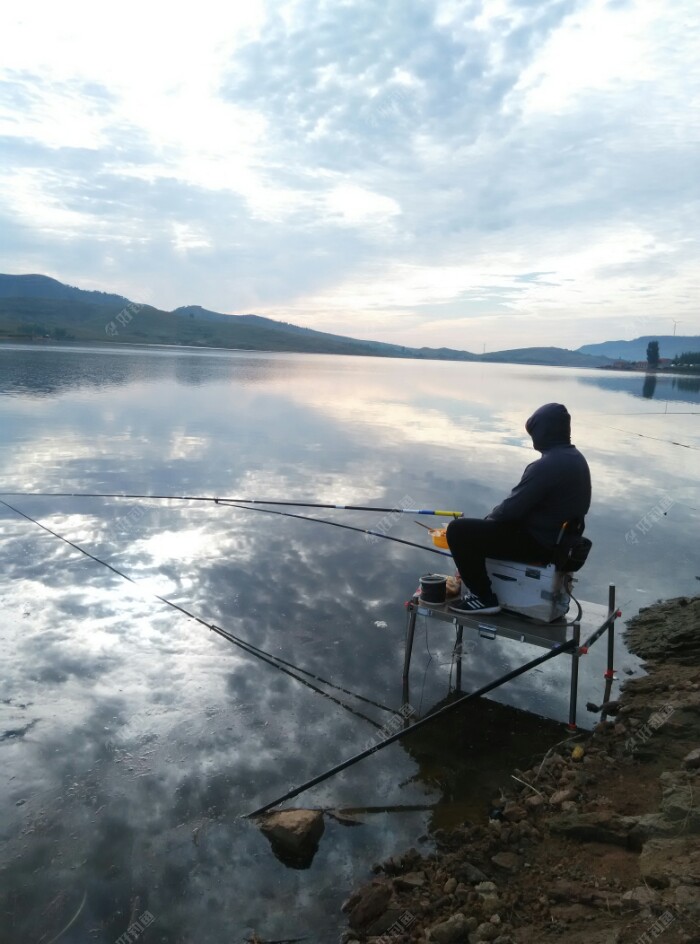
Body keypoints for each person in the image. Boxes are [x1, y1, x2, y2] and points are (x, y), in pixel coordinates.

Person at [446, 402, 591, 615]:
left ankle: (482, 597)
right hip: (559, 544)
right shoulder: (576, 458)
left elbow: (509, 512)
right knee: (478, 530)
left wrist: (486, 523)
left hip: (539, 545)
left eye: (534, 432)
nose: (533, 438)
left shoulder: (547, 465)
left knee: (459, 531)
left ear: (545, 431)